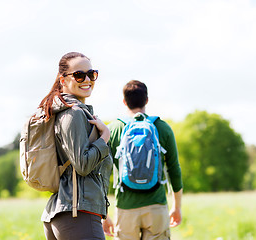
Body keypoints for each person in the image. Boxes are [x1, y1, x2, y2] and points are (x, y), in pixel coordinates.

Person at [40, 52, 113, 240]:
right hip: (77, 215)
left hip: (69, 213)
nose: (87, 79)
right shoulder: (73, 114)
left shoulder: (69, 112)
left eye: (92, 74)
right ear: (62, 80)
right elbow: (82, 165)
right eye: (79, 75)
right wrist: (104, 137)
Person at [102, 80, 183, 240]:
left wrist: (103, 214)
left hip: (125, 208)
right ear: (146, 100)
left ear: (124, 102)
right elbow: (174, 169)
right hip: (156, 206)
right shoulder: (162, 127)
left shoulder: (113, 129)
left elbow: (102, 174)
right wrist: (176, 207)